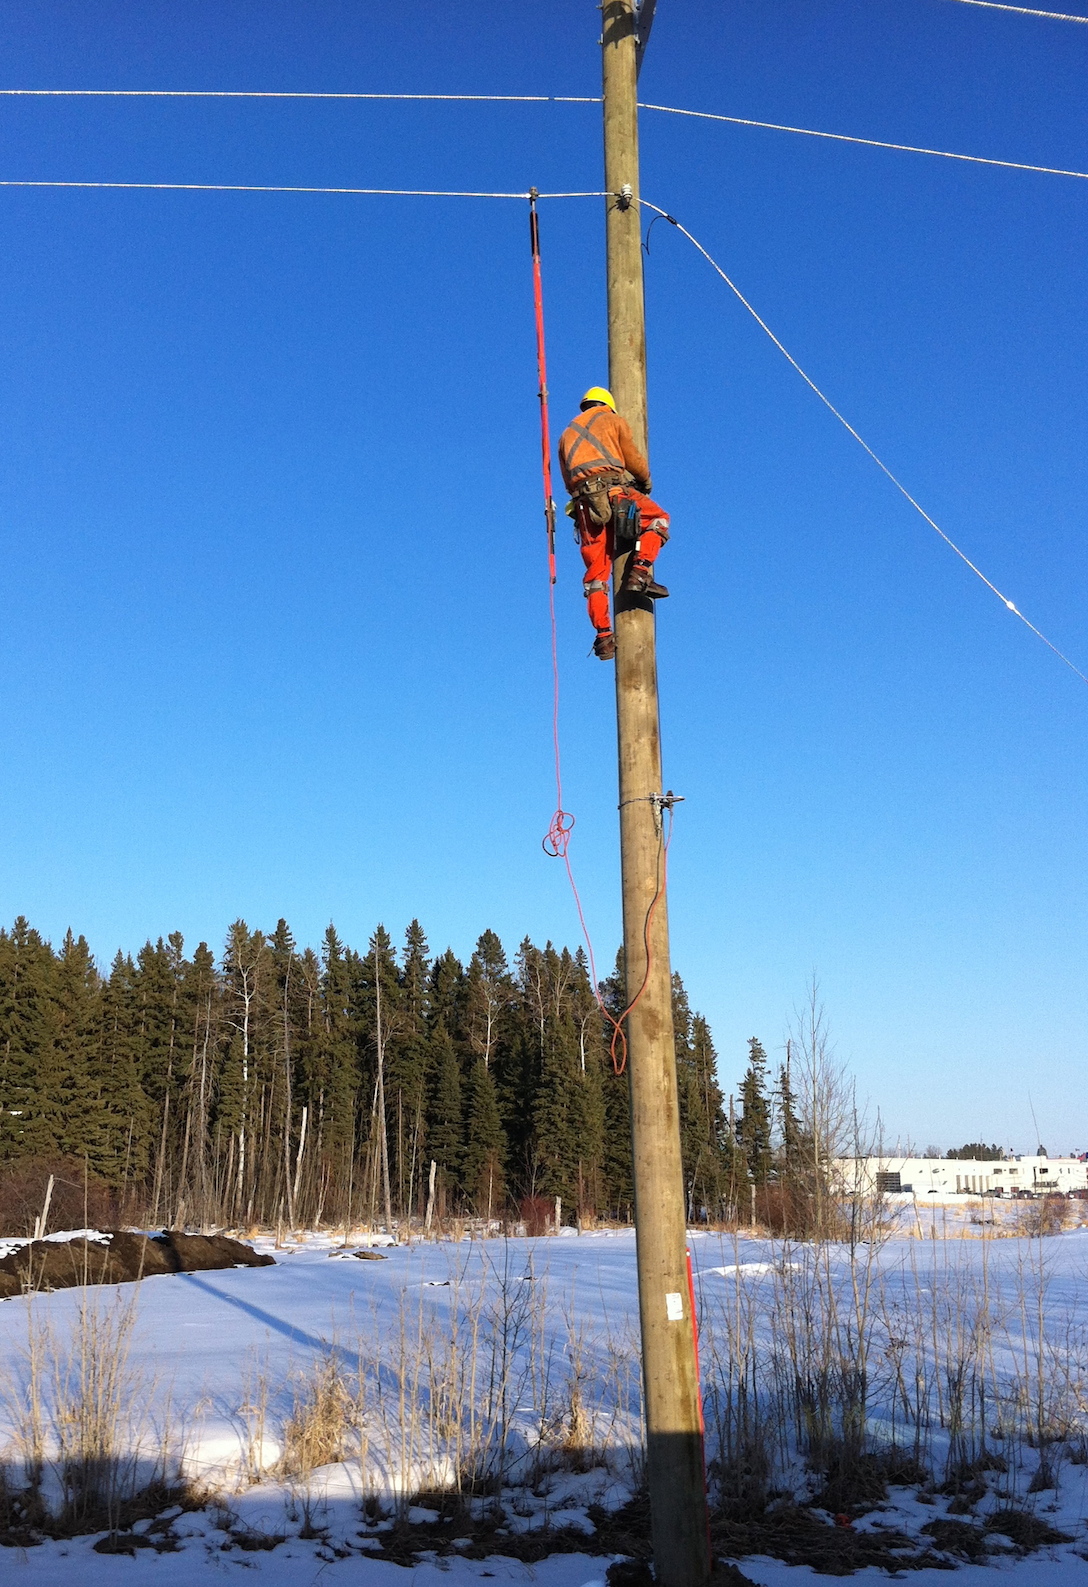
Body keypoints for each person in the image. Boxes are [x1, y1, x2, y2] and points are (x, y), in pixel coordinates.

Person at [558, 387, 670, 661]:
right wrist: (644, 481)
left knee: (596, 576)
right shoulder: (612, 419)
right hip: (615, 492)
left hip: (586, 506)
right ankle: (640, 573)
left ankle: (603, 637)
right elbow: (631, 456)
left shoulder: (565, 435)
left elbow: (566, 479)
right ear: (608, 405)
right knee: (659, 519)